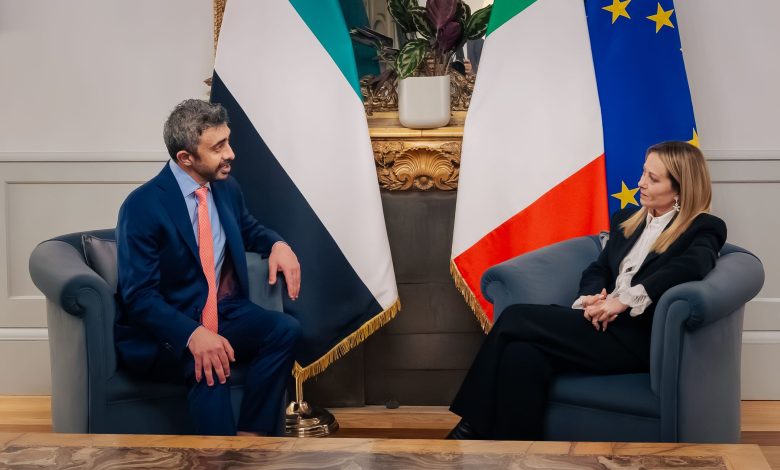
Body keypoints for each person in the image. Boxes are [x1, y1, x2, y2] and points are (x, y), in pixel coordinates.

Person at [447, 141, 727, 440]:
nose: (640, 183)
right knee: (522, 354)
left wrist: (625, 300)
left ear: (680, 189)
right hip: (600, 325)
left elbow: (693, 265)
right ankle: (521, 452)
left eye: (653, 178)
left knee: (515, 317)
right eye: (644, 172)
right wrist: (592, 296)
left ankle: (468, 427)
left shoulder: (704, 227)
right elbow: (599, 268)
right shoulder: (627, 220)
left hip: (636, 339)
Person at [115, 99, 302, 436]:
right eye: (218, 147)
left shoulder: (226, 187)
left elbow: (248, 229)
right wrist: (193, 335)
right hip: (168, 329)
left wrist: (278, 245)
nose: (231, 153)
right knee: (210, 362)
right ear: (185, 158)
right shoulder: (141, 206)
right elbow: (139, 297)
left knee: (284, 329)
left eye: (227, 141)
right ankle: (219, 456)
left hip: (223, 311)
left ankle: (252, 439)